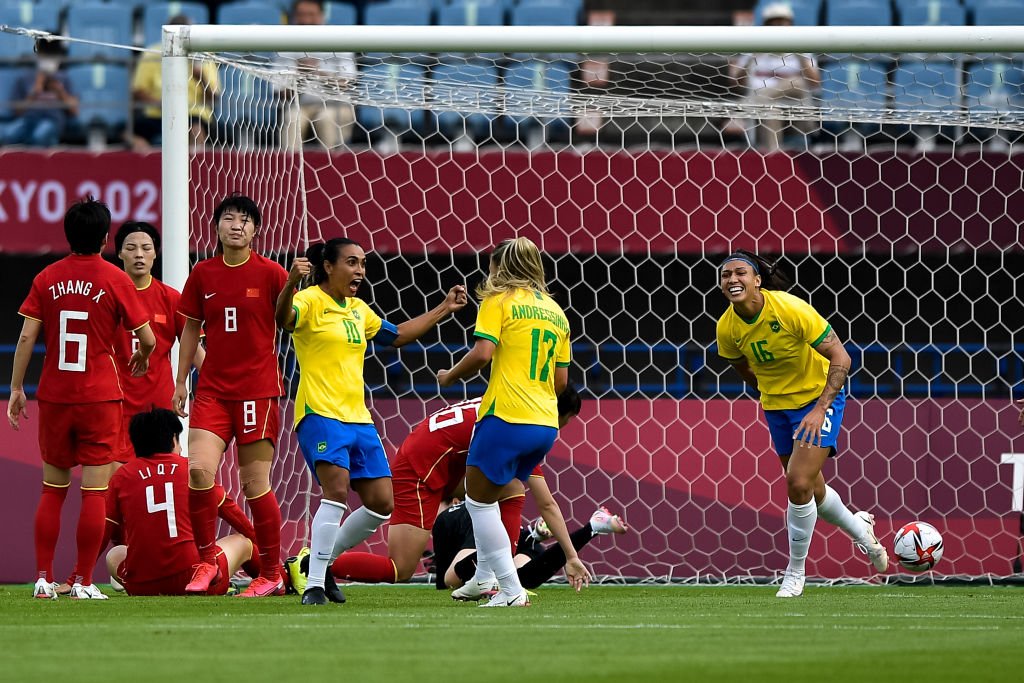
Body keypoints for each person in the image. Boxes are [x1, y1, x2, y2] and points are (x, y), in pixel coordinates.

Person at [275, 237, 468, 605]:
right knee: (335, 491)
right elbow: (282, 319)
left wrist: (444, 308)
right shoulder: (308, 300)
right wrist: (288, 284)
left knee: (382, 502)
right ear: (328, 266)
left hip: (358, 419)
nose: (360, 270)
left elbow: (397, 336)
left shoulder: (358, 309)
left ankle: (319, 564)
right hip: (320, 413)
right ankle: (314, 584)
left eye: (363, 263)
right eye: (351, 262)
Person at [288, 386, 584, 591]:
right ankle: (311, 563)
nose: (560, 429)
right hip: (419, 472)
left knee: (510, 487)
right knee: (400, 569)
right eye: (565, 421)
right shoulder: (519, 427)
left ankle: (492, 577)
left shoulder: (506, 402)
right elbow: (547, 505)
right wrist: (571, 557)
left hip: (443, 465)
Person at [715, 250, 888, 598]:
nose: (733, 279)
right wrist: (774, 392)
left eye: (740, 273)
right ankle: (860, 529)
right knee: (812, 490)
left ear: (757, 280)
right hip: (777, 407)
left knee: (797, 483)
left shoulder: (790, 309)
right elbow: (742, 368)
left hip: (817, 399)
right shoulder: (727, 328)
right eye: (725, 275)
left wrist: (820, 407)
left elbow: (841, 356)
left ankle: (795, 573)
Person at [7, 197, 156, 600]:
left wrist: (18, 388)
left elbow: (26, 336)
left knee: (52, 489)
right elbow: (149, 338)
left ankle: (41, 578)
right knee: (93, 493)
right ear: (107, 238)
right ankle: (84, 582)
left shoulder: (47, 277)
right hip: (100, 398)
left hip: (55, 396)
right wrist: (141, 356)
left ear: (68, 234)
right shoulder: (115, 278)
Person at [436, 237, 588, 607]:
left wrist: (450, 377)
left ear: (498, 268)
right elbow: (562, 382)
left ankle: (509, 589)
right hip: (544, 424)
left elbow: (483, 353)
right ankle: (481, 580)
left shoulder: (497, 301)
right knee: (504, 495)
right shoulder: (556, 311)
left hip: (506, 416)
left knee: (478, 502)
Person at [172, 193, 289, 598]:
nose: (236, 225)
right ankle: (206, 560)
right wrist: (179, 382)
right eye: (229, 218)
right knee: (199, 472)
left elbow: (293, 321)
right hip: (213, 392)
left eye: (245, 220)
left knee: (255, 484)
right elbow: (189, 329)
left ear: (256, 230)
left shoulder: (273, 273)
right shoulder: (202, 273)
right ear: (217, 226)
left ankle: (272, 572)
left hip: (258, 391)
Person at [104, 408, 254, 596]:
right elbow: (233, 515)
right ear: (173, 438)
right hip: (194, 577)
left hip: (142, 586)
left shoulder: (121, 476)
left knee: (115, 553)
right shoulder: (191, 469)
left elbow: (107, 528)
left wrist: (79, 576)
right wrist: (263, 547)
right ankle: (276, 577)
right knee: (243, 542)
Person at [435, 502, 627, 593]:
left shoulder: (455, 515)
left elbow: (450, 579)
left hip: (502, 536)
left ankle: (529, 535)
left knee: (453, 579)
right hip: (514, 538)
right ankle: (591, 528)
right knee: (518, 581)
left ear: (454, 502)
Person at [728, 3, 819, 152]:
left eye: (782, 22)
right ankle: (774, 156)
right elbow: (736, 83)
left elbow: (814, 82)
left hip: (795, 101)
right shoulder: (754, 48)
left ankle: (742, 110)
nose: (778, 26)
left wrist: (798, 53)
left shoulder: (802, 47)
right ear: (765, 25)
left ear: (790, 24)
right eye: (773, 23)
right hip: (765, 104)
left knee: (795, 82)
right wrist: (753, 56)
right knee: (772, 109)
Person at [275, 0, 357, 150]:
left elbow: (348, 84)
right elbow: (280, 92)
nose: (306, 21)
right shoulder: (285, 42)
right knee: (292, 118)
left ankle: (332, 167)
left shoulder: (339, 39)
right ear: (293, 17)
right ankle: (289, 168)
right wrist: (299, 76)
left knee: (327, 118)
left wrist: (317, 73)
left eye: (311, 15)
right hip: (301, 105)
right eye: (301, 15)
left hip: (335, 104)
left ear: (322, 16)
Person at [130, 14, 219, 151]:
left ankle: (194, 169)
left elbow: (214, 98)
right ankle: (151, 169)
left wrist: (201, 78)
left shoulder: (203, 55)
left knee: (196, 130)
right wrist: (161, 103)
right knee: (131, 134)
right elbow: (137, 91)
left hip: (193, 114)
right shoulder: (151, 54)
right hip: (159, 114)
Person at [1, 38, 77, 147]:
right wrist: (35, 91)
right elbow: (17, 112)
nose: (48, 58)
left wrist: (60, 91)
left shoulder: (64, 78)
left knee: (40, 135)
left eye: (52, 54)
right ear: (38, 55)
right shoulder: (24, 77)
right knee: (9, 134)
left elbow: (74, 111)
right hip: (28, 119)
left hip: (51, 121)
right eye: (45, 54)